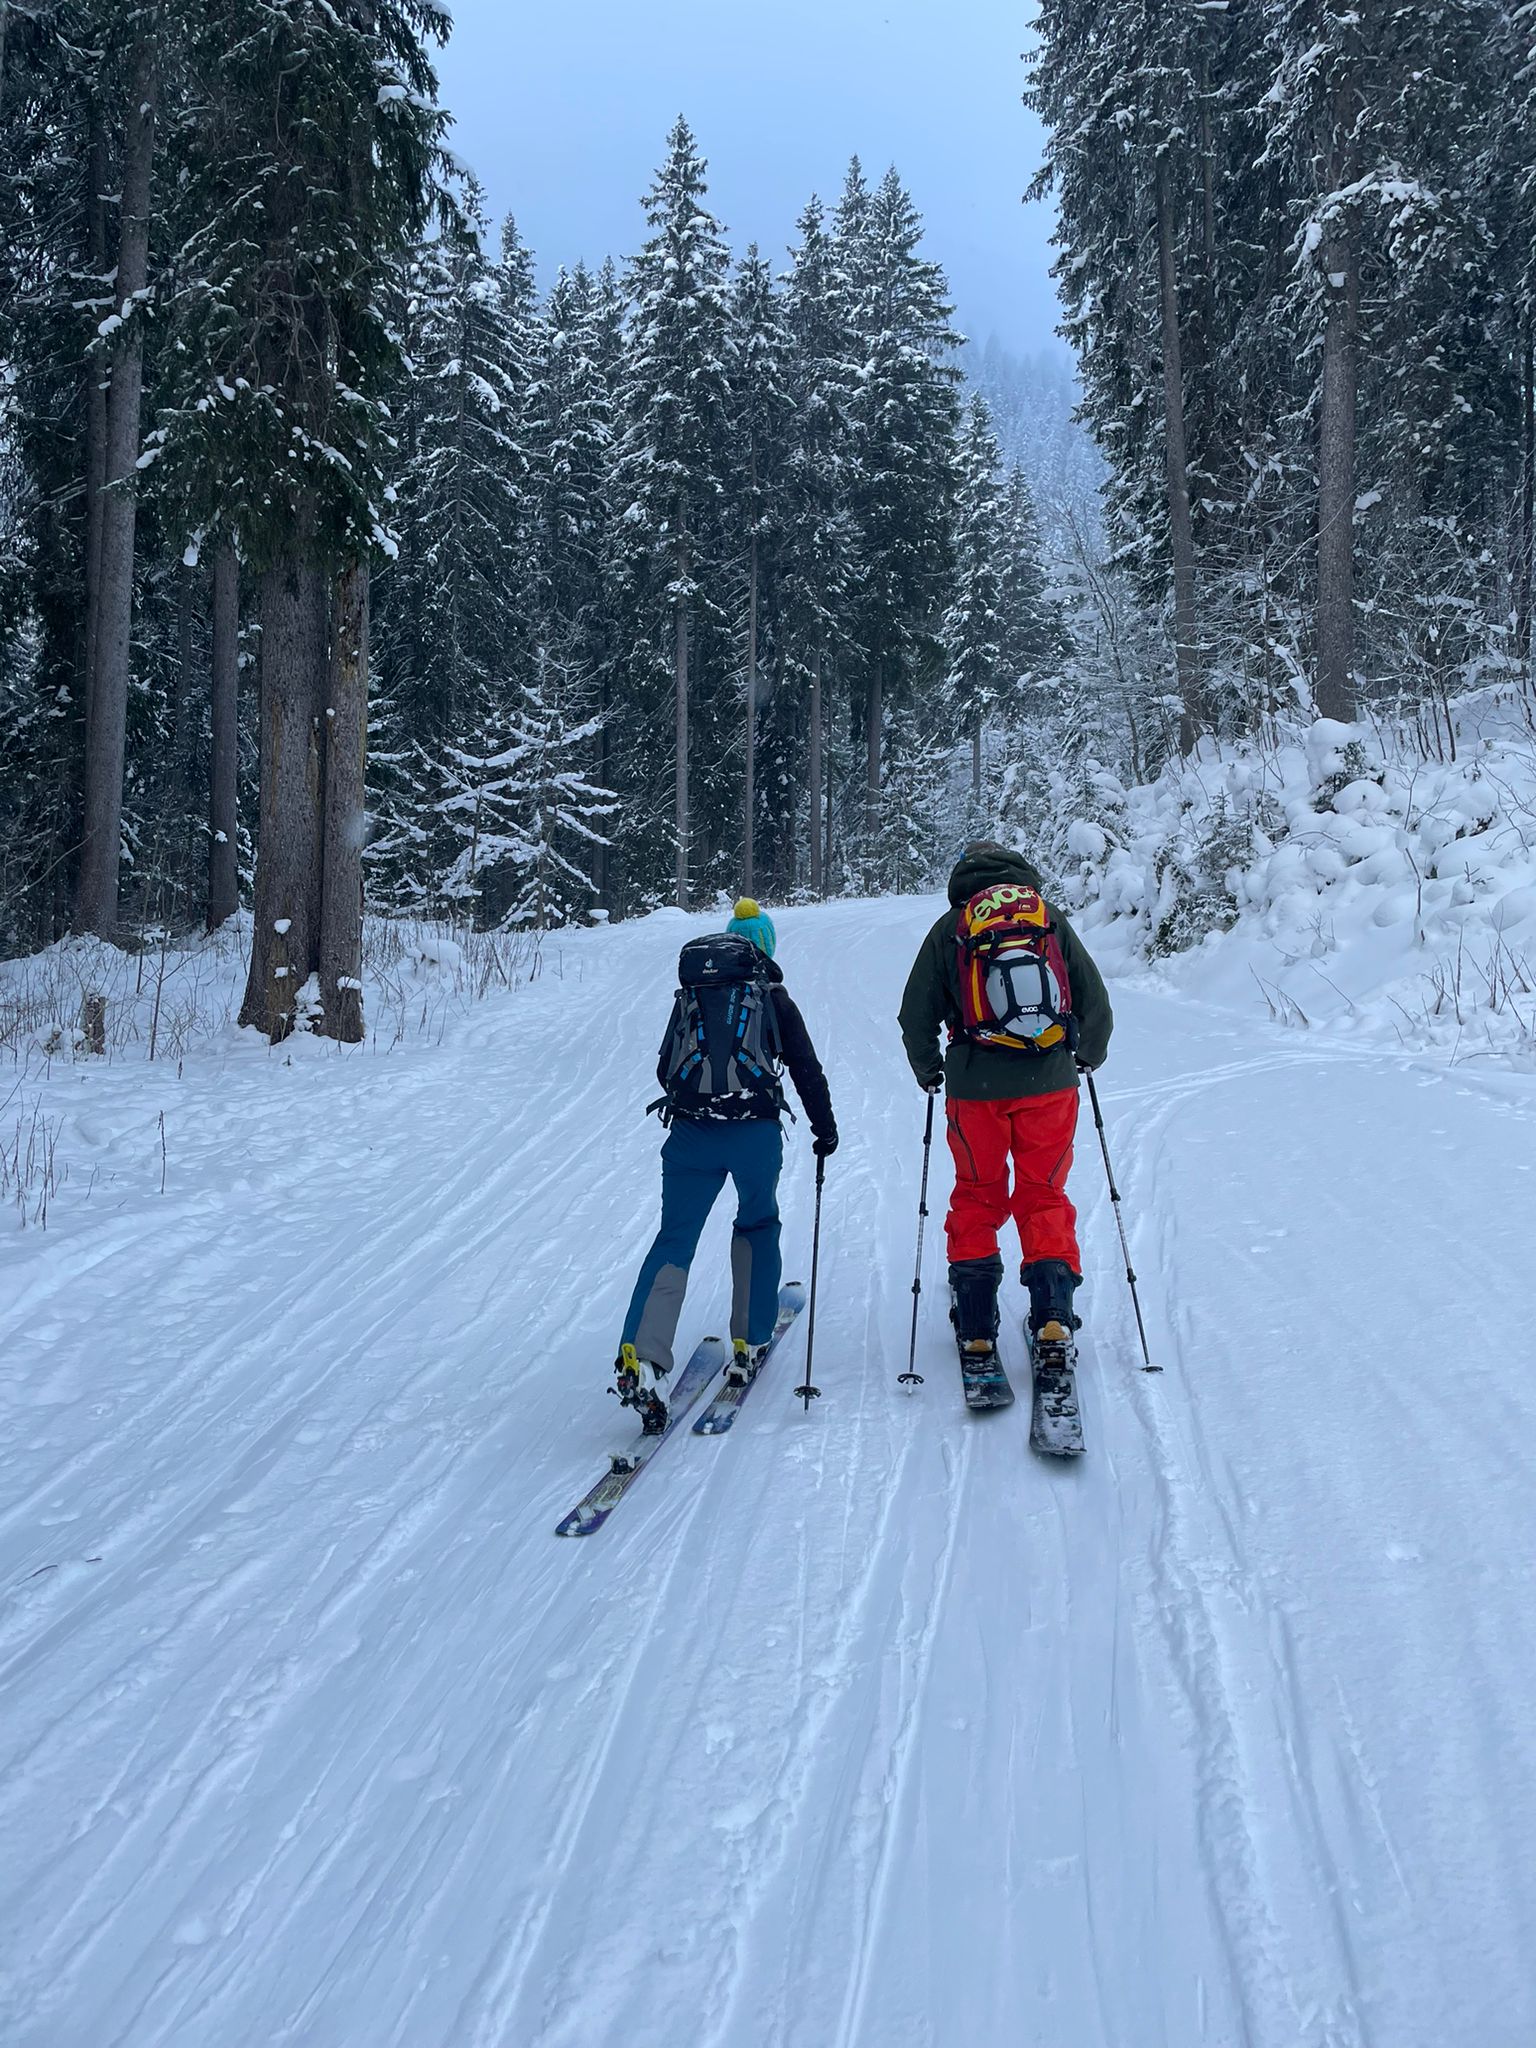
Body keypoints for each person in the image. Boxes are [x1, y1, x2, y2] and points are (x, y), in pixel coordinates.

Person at [616, 898, 838, 1431]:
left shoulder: (692, 995)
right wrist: (823, 1128)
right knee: (757, 1223)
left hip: (691, 1135)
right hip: (754, 1135)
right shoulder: (772, 999)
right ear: (765, 948)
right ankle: (750, 1337)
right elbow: (806, 1068)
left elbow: (664, 1067)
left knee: (674, 1240)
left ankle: (642, 1359)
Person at [897, 841, 1113, 1357]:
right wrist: (1087, 1055)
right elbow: (1094, 999)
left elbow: (915, 1016)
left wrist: (930, 1071)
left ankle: (974, 1322)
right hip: (1051, 1085)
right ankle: (1053, 1316)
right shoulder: (1046, 917)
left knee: (977, 1191)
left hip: (975, 1091)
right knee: (1044, 1193)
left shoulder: (952, 927)